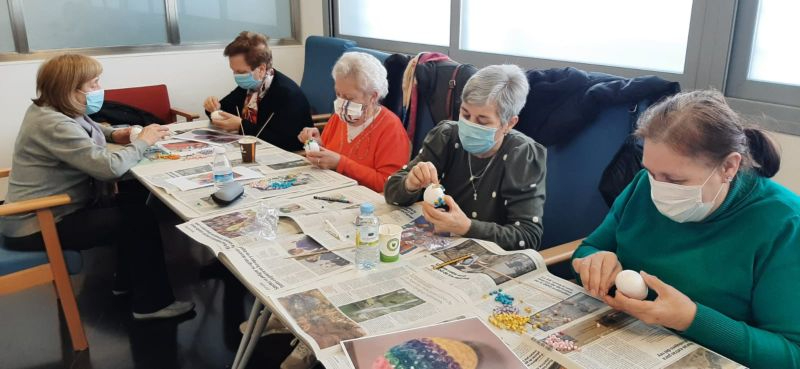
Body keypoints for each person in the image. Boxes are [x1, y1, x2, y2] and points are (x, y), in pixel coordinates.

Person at [571, 90, 800, 369]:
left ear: (728, 166)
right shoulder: (645, 184)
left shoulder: (783, 223)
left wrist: (691, 319)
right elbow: (589, 248)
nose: (657, 188)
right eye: (651, 173)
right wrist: (594, 261)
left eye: (675, 181)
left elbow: (790, 354)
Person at [0, 53, 194, 320]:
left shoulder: (53, 109)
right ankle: (152, 304)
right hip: (37, 223)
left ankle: (127, 283)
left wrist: (117, 134)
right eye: (93, 84)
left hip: (50, 211)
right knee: (138, 218)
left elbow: (89, 129)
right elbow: (109, 168)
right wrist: (142, 142)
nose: (99, 89)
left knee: (132, 202)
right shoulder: (52, 123)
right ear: (69, 89)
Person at [384, 65, 546, 251]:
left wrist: (467, 227)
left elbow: (528, 236)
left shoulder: (522, 154)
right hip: (437, 245)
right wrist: (409, 183)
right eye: (465, 114)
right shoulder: (446, 136)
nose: (469, 125)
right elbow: (391, 190)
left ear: (509, 123)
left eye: (482, 121)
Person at [297, 52, 410, 193]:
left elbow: (389, 184)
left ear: (373, 96)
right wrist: (316, 145)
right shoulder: (339, 117)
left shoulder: (391, 128)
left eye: (349, 97)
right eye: (338, 94)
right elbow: (331, 154)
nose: (342, 103)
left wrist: (341, 163)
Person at [203, 31, 312, 152]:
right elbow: (224, 111)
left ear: (261, 69)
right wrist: (212, 108)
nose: (236, 76)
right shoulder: (250, 87)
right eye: (233, 71)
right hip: (252, 151)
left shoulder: (288, 95)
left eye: (241, 72)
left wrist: (241, 126)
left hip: (282, 154)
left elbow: (289, 142)